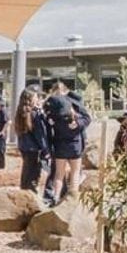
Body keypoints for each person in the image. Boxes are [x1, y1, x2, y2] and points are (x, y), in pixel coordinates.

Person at [42, 77, 90, 207]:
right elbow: (87, 118)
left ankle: (56, 197)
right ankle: (73, 198)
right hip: (74, 143)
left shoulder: (51, 107)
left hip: (59, 144)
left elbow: (47, 123)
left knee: (59, 174)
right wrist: (78, 125)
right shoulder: (73, 102)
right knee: (75, 172)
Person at [14, 87, 49, 194]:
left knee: (26, 173)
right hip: (34, 149)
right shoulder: (34, 114)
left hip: (24, 147)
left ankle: (24, 192)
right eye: (36, 97)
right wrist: (46, 150)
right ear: (30, 99)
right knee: (33, 175)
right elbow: (40, 134)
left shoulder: (20, 112)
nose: (37, 99)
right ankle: (31, 196)